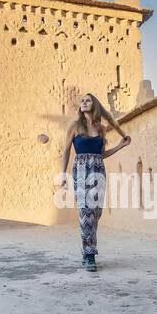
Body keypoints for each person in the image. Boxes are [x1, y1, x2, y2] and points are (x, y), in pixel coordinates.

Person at [57, 93, 132, 271]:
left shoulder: (100, 128)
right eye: (82, 101)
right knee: (85, 212)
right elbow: (67, 151)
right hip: (81, 171)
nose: (84, 103)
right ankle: (90, 255)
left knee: (96, 213)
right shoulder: (75, 126)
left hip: (98, 170)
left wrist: (120, 146)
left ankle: (86, 249)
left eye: (87, 100)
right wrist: (62, 174)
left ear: (94, 105)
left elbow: (101, 154)